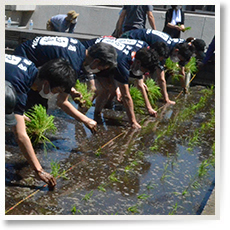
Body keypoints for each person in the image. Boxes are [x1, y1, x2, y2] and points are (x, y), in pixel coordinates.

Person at [13, 36, 117, 131]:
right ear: (96, 62)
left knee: (40, 100)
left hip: (27, 51)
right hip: (25, 59)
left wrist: (70, 90)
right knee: (36, 102)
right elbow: (62, 102)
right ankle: (20, 134)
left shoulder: (79, 47)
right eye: (101, 68)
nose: (99, 71)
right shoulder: (73, 64)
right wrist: (86, 120)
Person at [5, 55, 80, 187]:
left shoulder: (29, 71)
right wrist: (39, 170)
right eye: (56, 91)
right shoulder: (19, 83)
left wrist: (19, 115)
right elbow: (20, 135)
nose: (55, 95)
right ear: (46, 83)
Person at [83, 37, 159, 129]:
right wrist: (133, 122)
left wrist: (116, 88)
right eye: (144, 71)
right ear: (138, 63)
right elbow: (126, 96)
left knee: (108, 88)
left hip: (104, 57)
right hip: (89, 55)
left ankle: (97, 113)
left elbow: (115, 76)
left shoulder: (136, 56)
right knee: (96, 89)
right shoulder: (123, 62)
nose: (143, 74)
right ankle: (80, 116)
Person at [120, 29, 198, 103]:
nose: (177, 61)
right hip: (129, 39)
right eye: (179, 58)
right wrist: (166, 99)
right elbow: (161, 78)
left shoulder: (169, 45)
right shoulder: (163, 48)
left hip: (137, 38)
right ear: (176, 51)